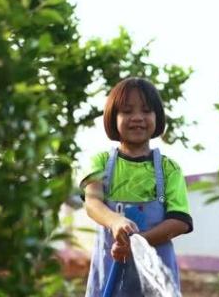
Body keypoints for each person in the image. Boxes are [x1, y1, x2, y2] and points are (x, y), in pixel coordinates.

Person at [80, 77, 193, 296]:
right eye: (127, 111)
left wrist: (138, 242)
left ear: (157, 118)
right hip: (109, 275)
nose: (137, 118)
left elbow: (179, 221)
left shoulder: (170, 169)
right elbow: (92, 202)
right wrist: (115, 221)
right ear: (113, 118)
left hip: (156, 279)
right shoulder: (101, 163)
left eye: (146, 111)